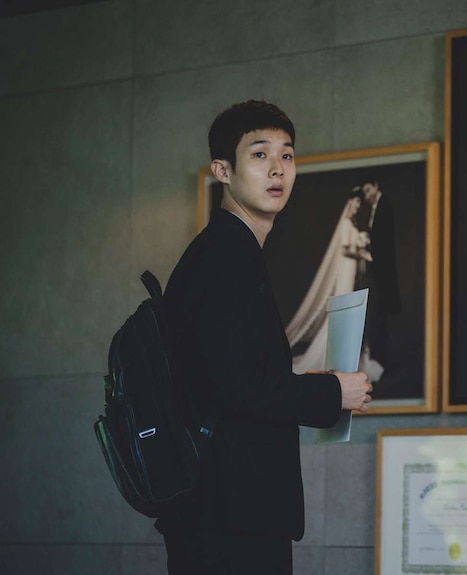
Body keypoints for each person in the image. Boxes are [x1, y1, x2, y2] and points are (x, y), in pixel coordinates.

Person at [155, 100, 373, 575]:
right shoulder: (225, 256)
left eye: (288, 155)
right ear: (223, 170)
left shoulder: (230, 251)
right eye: (259, 154)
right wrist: (336, 391)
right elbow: (240, 387)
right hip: (228, 517)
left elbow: (235, 377)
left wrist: (317, 385)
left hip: (226, 509)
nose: (278, 169)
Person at [284, 189, 372, 376]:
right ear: (350, 203)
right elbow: (346, 250)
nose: (357, 206)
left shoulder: (352, 223)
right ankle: (333, 355)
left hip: (351, 270)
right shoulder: (347, 224)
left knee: (350, 310)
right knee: (344, 310)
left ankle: (348, 356)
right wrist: (362, 252)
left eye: (358, 203)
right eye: (355, 202)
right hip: (347, 269)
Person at [355, 176, 401, 382]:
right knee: (376, 318)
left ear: (375, 186)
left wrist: (368, 250)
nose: (366, 196)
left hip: (383, 274)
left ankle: (380, 363)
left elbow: (384, 242)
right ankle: (378, 361)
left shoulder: (384, 205)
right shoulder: (376, 207)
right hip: (378, 273)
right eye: (364, 193)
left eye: (368, 191)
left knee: (379, 317)